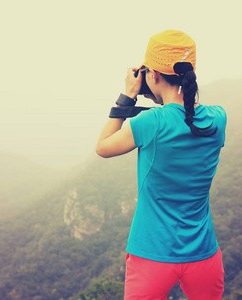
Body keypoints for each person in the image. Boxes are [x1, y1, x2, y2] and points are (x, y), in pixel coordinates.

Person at [96, 30, 226, 300]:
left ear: (152, 75)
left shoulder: (150, 123)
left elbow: (103, 147)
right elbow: (188, 114)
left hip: (151, 254)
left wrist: (128, 95)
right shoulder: (217, 119)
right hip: (203, 254)